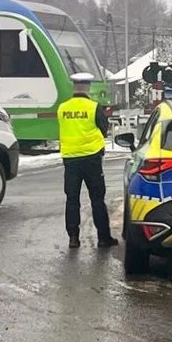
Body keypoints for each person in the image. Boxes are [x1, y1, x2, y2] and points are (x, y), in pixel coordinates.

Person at [58, 73, 116, 249]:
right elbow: (104, 129)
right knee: (97, 198)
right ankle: (103, 238)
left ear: (73, 87)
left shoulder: (62, 108)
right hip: (91, 159)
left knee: (72, 199)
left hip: (70, 159)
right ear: (88, 88)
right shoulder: (94, 107)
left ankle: (73, 238)